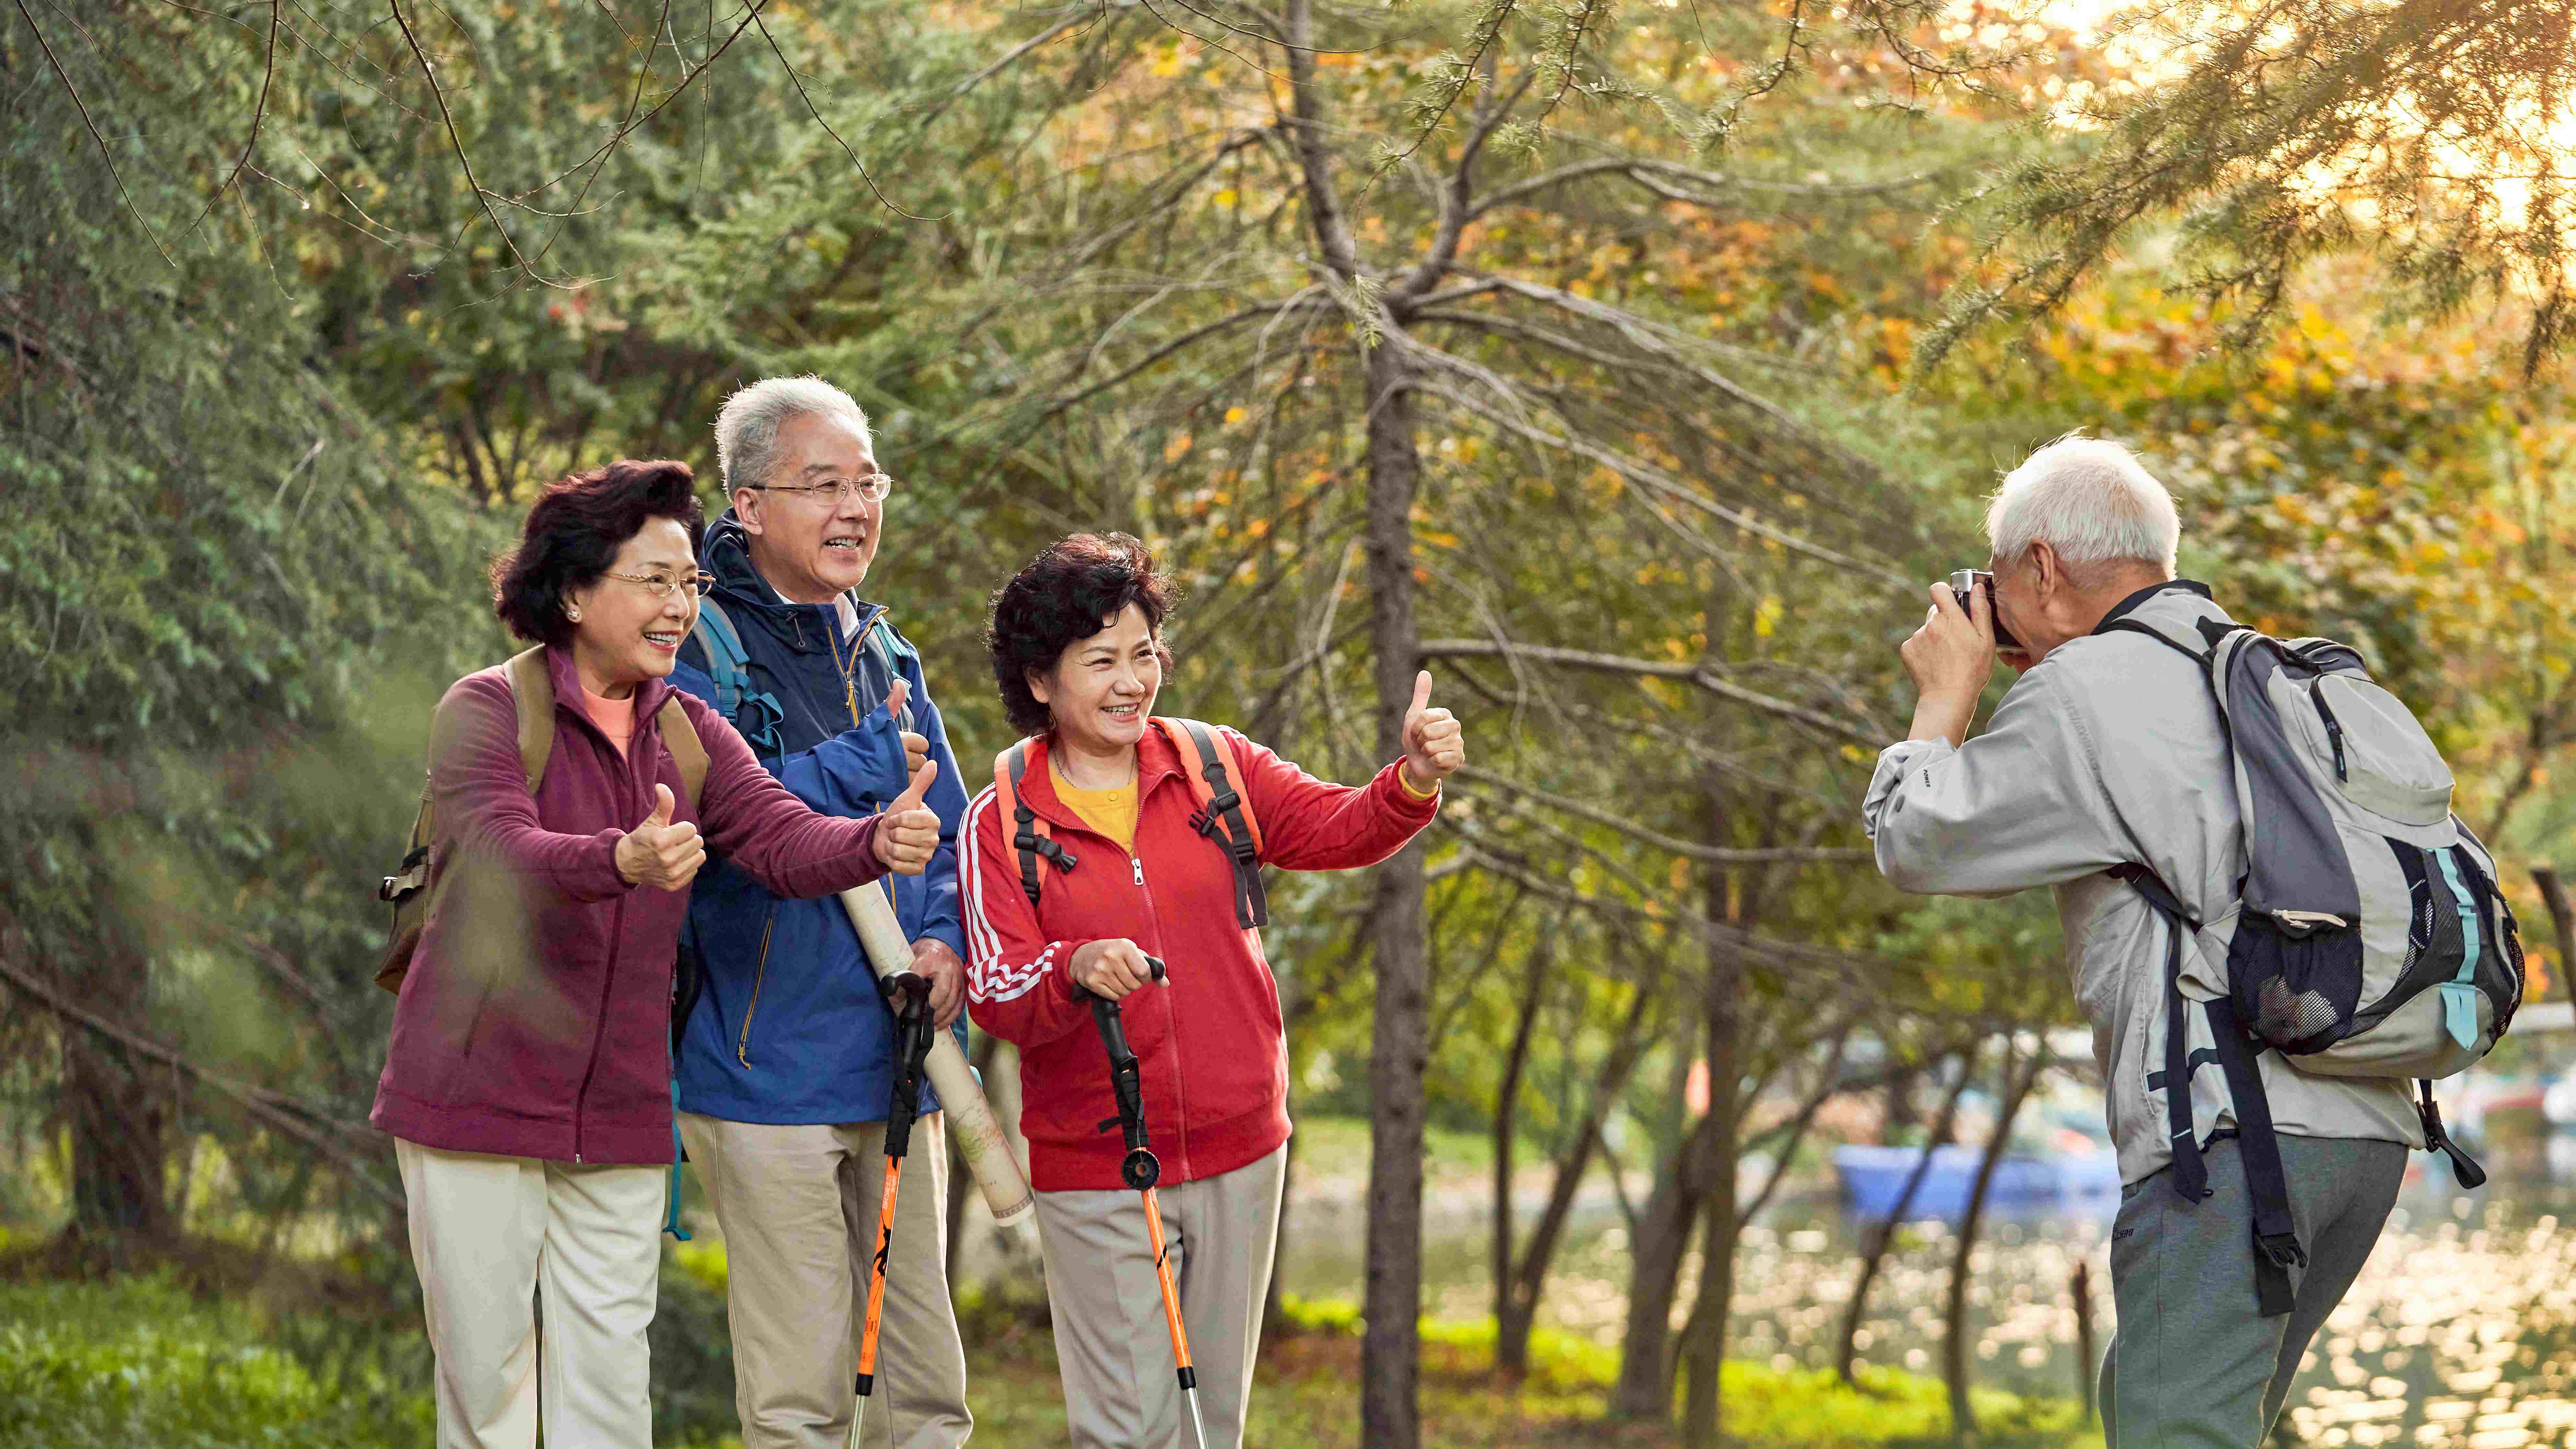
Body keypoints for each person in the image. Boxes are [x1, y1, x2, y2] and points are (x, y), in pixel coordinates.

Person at [1860, 434, 2419, 1447]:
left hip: (2233, 1136)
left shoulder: (2084, 697)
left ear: (2039, 567)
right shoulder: (2265, 669)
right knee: (2155, 1408)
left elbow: (1916, 839)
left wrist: (1949, 692)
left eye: (1999, 577)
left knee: (2171, 1431)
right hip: (2366, 1133)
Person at [371, 458, 942, 1449]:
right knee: (489, 1383)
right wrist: (621, 857)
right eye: (655, 581)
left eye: (692, 583)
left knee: (608, 1394)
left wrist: (871, 843)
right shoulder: (484, 710)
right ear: (576, 591)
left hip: (623, 1112)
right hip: (477, 1096)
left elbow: (775, 835)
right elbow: (506, 851)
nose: (682, 607)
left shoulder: (692, 728)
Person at [960, 533, 1466, 1449]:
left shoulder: (1213, 765)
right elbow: (995, 987)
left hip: (1242, 1147)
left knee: (1210, 1427)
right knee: (1127, 1430)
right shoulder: (1001, 817)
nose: (1130, 680)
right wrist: (1072, 968)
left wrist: (1413, 781)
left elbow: (1337, 825)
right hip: (1100, 1166)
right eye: (1101, 659)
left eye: (1144, 653)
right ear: (1040, 679)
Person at [663, 376, 976, 1449]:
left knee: (924, 1395)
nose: (855, 508)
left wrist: (943, 940)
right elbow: (734, 816)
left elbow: (949, 814)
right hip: (764, 1076)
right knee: (800, 1402)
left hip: (896, 1065)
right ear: (748, 505)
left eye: (868, 481)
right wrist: (868, 760)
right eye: (822, 485)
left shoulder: (882, 646)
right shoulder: (694, 642)